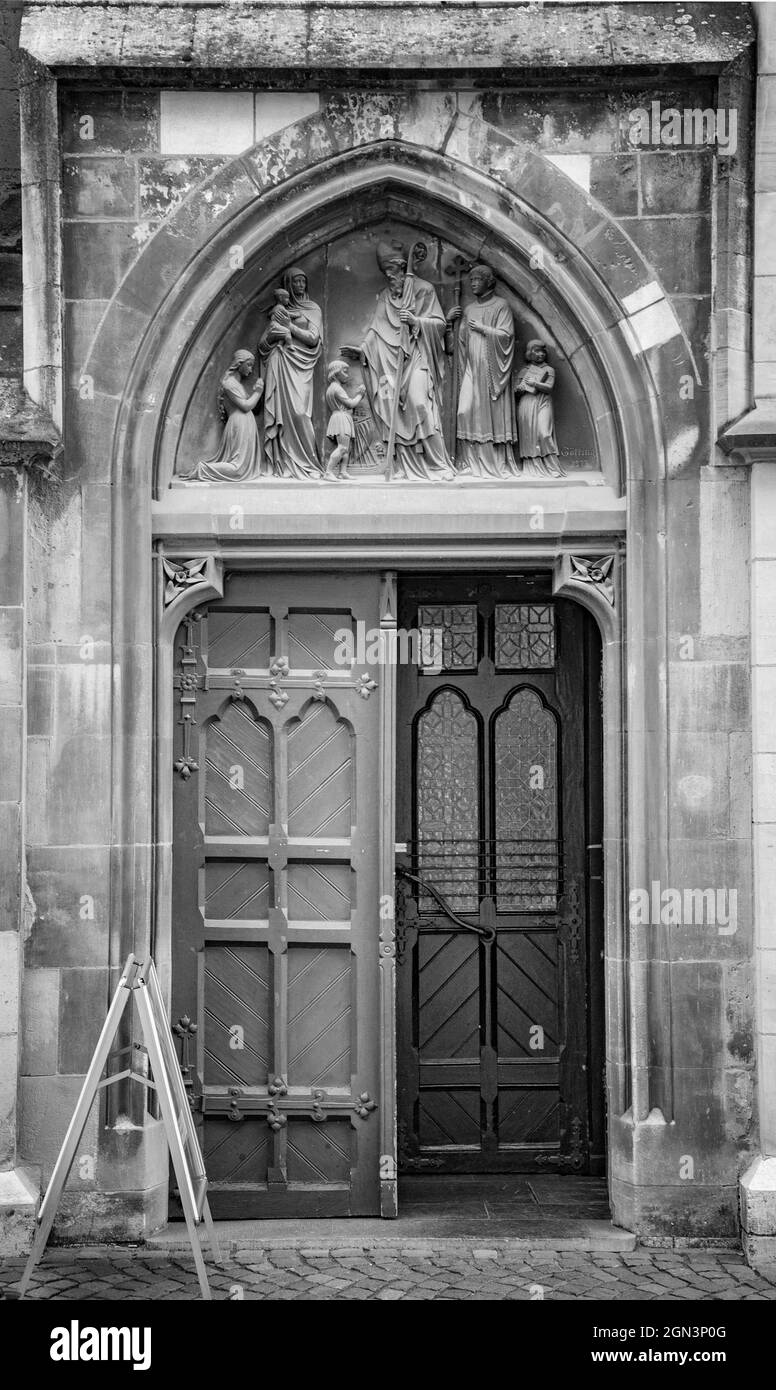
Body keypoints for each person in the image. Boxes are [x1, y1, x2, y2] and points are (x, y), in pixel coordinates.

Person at [351, 240, 454, 481]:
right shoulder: (387, 295)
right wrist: (363, 350)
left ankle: (438, 464)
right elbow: (376, 330)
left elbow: (439, 325)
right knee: (390, 406)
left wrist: (416, 322)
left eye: (393, 273)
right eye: (387, 275)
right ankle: (399, 464)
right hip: (390, 360)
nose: (390, 279)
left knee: (419, 403)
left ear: (402, 268)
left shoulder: (425, 289)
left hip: (418, 355)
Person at [446, 263, 519, 478]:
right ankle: (470, 461)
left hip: (490, 370)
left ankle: (494, 462)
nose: (474, 283)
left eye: (478, 279)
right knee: (464, 411)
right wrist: (450, 323)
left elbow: (507, 336)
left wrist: (483, 329)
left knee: (489, 414)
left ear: (489, 282)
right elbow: (455, 347)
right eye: (472, 280)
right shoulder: (468, 309)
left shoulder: (501, 305)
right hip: (470, 368)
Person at [258, 267, 323, 479]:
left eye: (303, 281)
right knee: (282, 414)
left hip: (301, 365)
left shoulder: (313, 309)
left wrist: (290, 328)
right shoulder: (280, 309)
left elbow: (313, 338)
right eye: (295, 282)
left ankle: (308, 462)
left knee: (300, 413)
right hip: (280, 360)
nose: (300, 285)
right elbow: (263, 343)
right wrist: (273, 336)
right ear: (287, 286)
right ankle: (282, 462)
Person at [179, 349, 263, 482]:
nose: (251, 369)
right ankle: (202, 469)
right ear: (239, 363)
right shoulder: (229, 383)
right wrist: (258, 392)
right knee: (238, 469)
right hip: (239, 425)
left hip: (245, 425)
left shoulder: (237, 385)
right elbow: (246, 406)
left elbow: (254, 407)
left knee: (242, 468)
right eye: (249, 364)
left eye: (252, 365)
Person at [515, 340, 565, 479]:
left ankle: (552, 466)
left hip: (543, 402)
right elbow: (516, 389)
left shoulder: (549, 370)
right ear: (530, 354)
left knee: (544, 433)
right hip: (527, 404)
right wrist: (519, 388)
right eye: (536, 351)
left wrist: (535, 383)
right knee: (529, 436)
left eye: (542, 351)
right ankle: (532, 466)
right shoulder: (524, 371)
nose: (540, 354)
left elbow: (549, 388)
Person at [322, 359, 366, 480]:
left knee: (346, 448)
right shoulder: (337, 388)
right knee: (342, 448)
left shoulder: (332, 388)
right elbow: (351, 404)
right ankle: (328, 472)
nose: (347, 375)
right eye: (345, 371)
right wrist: (360, 395)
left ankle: (343, 472)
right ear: (336, 372)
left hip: (340, 417)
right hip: (341, 418)